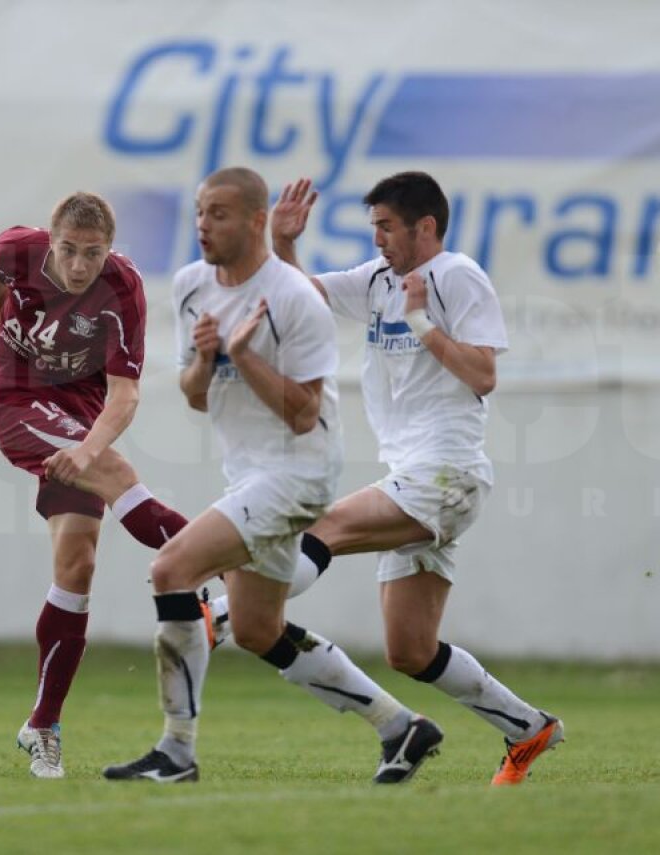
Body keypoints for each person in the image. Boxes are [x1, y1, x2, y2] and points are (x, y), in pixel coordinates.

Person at [207, 171, 564, 786]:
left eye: (387, 226)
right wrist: (285, 244)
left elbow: (483, 376)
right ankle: (528, 728)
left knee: (324, 525)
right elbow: (300, 300)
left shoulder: (457, 276)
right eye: (373, 226)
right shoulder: (375, 281)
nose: (377, 239)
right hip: (412, 474)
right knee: (410, 650)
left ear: (425, 226)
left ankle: (219, 613)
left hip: (447, 470)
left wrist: (422, 321)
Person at [102, 167, 441, 786]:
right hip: (250, 475)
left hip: (298, 474)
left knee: (171, 570)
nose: (204, 225)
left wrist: (244, 354)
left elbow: (305, 412)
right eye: (201, 212)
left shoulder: (292, 297)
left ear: (257, 221)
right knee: (259, 631)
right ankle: (400, 727)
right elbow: (195, 397)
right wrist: (207, 359)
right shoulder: (189, 285)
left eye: (220, 214)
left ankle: (176, 751)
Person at [0, 191, 195, 779]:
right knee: (119, 474)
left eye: (92, 253)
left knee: (77, 567)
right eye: (69, 251)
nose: (79, 265)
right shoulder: (13, 249)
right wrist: (4, 347)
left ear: (110, 249)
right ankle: (229, 564)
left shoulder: (122, 289)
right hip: (17, 398)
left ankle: (42, 726)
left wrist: (85, 447)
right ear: (51, 242)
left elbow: (125, 396)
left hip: (82, 414)